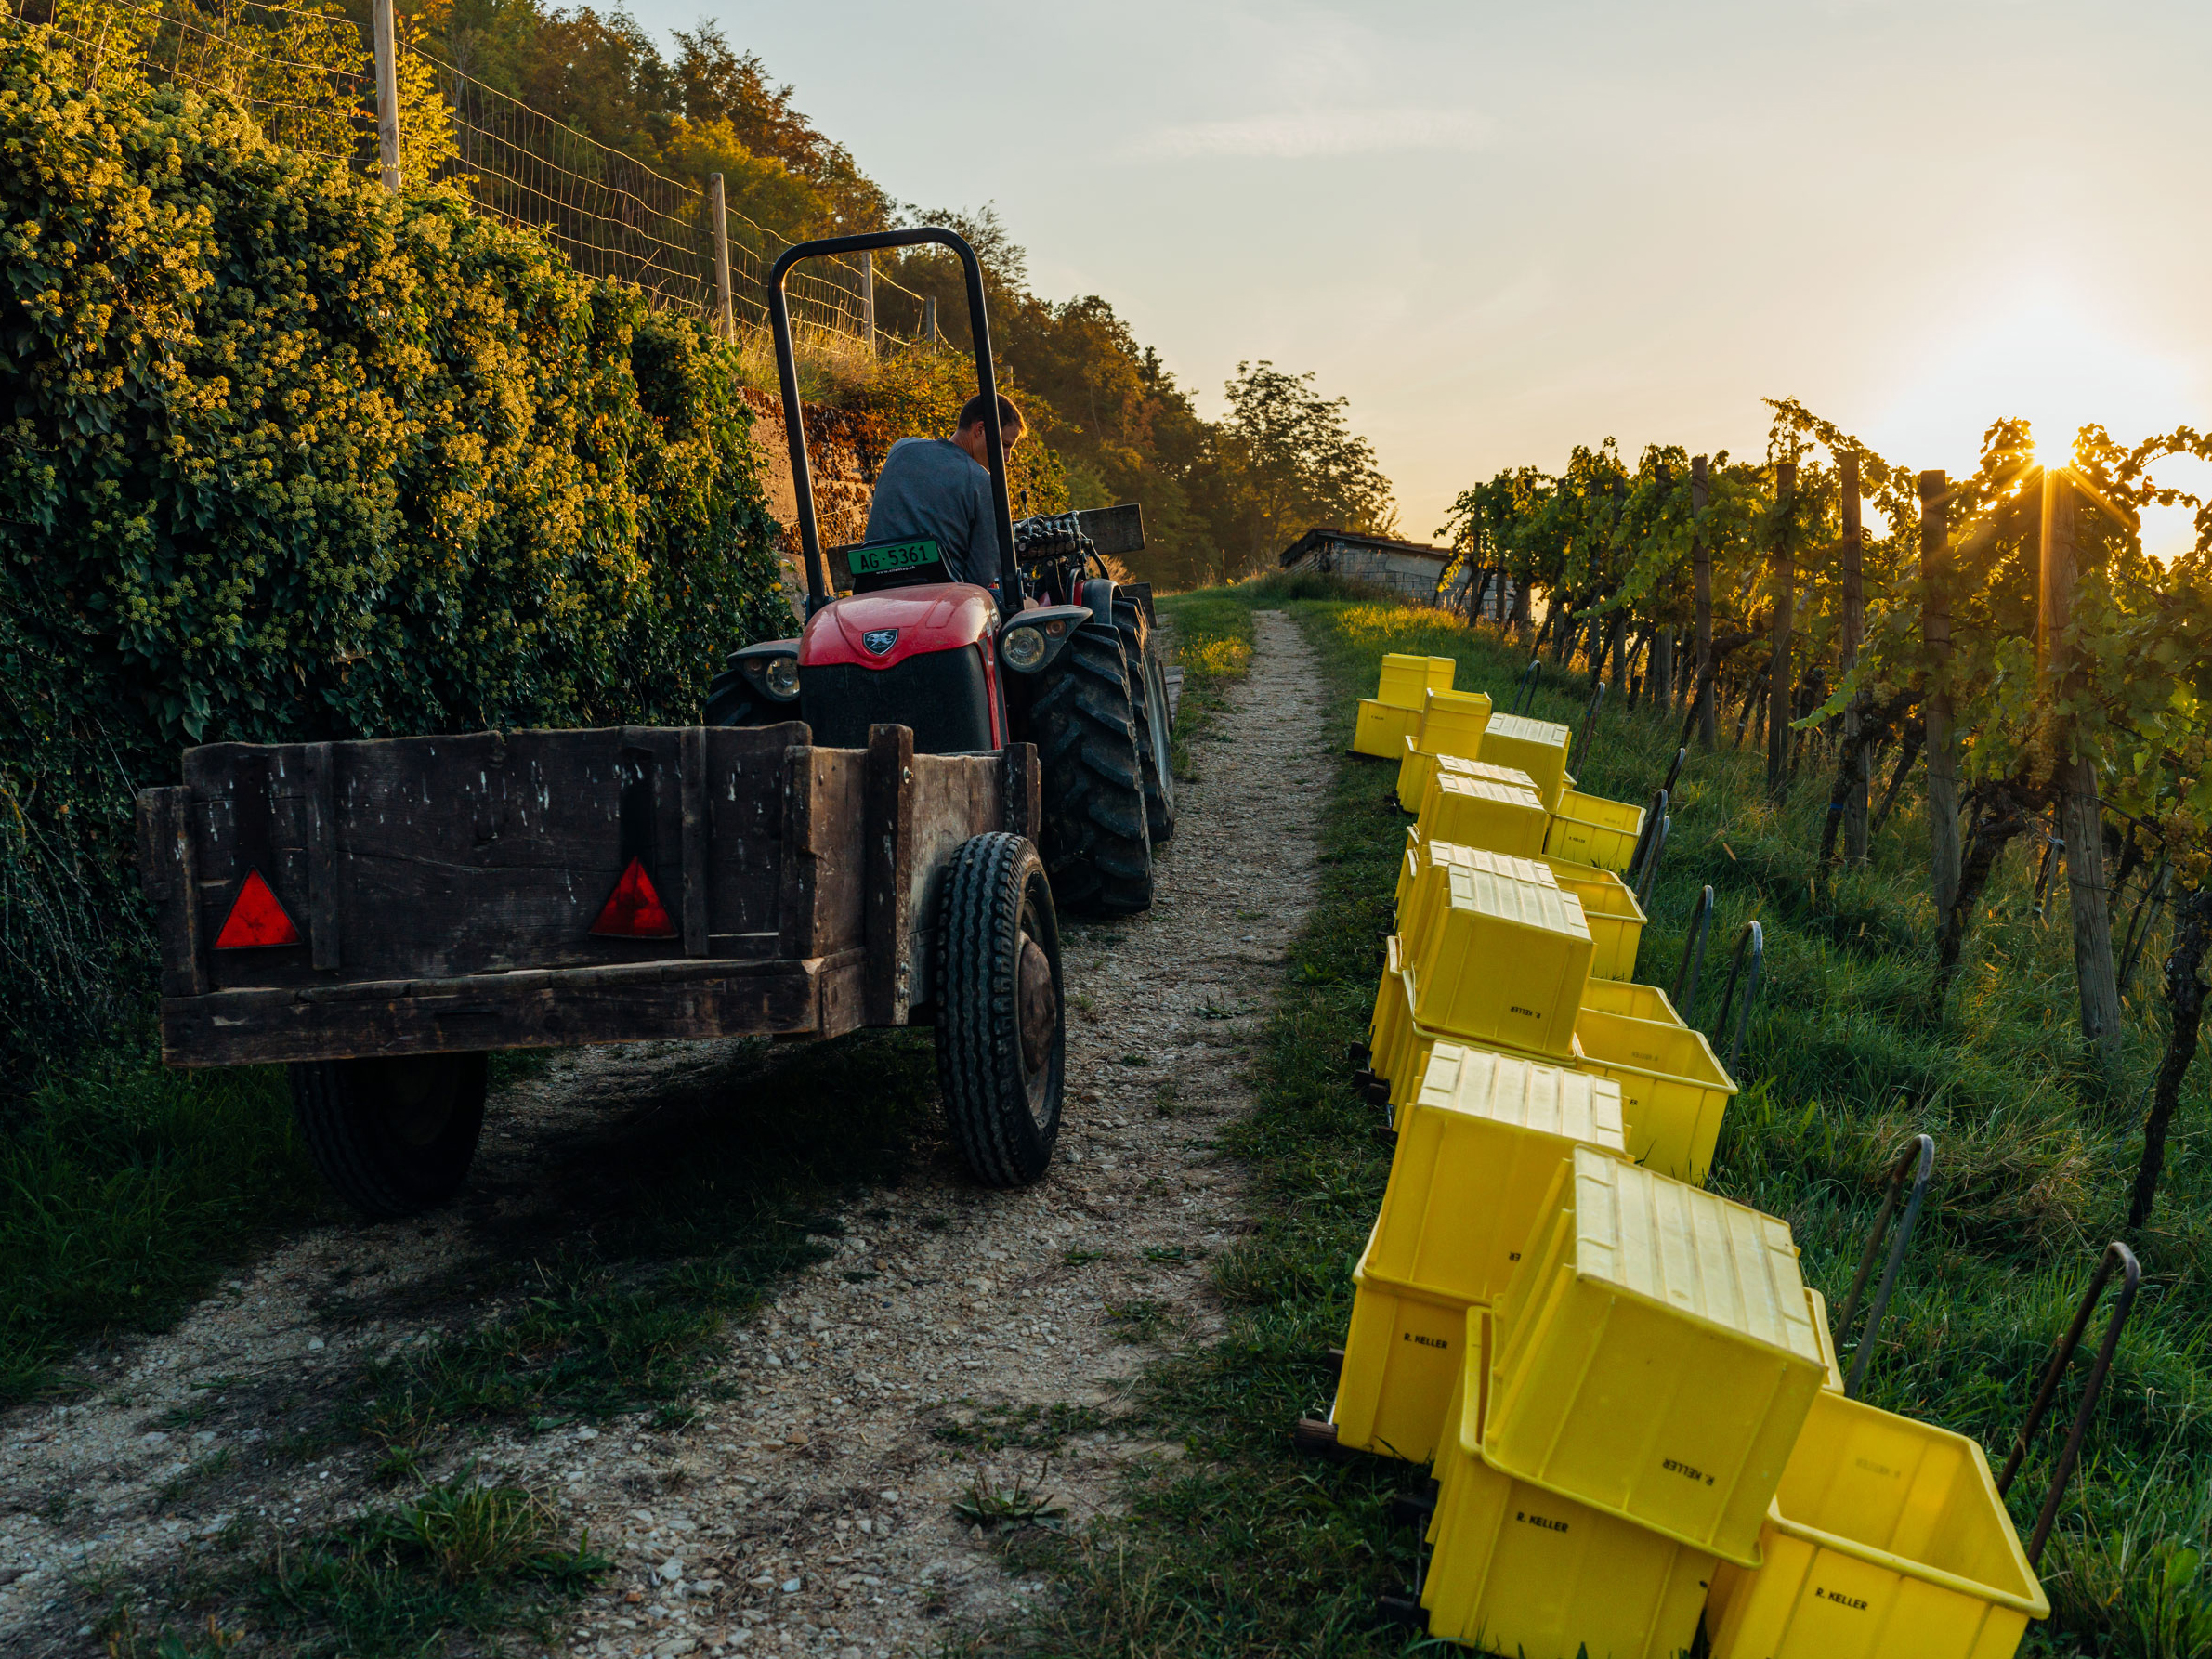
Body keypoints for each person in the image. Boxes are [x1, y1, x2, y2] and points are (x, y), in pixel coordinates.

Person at [862, 392, 1023, 589]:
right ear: (980, 429)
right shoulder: (982, 482)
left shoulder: (900, 449)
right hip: (941, 601)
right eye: (1005, 445)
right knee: (1029, 603)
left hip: (873, 588)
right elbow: (981, 576)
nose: (1007, 458)